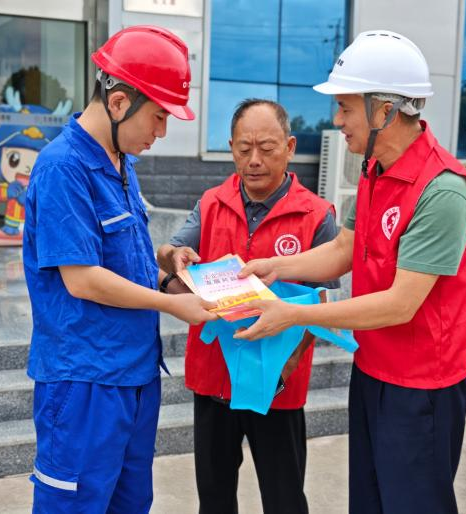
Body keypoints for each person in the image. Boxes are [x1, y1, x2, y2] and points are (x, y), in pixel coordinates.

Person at [237, 31, 466, 514]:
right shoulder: (375, 170)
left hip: (422, 388)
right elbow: (343, 249)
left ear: (384, 111)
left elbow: (400, 304)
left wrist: (293, 313)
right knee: (369, 501)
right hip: (373, 370)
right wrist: (274, 267)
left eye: (345, 108)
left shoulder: (443, 192)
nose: (337, 121)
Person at [22, 25, 216, 514]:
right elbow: (83, 278)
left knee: (130, 503)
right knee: (76, 506)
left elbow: (124, 258)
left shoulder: (121, 162)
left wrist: (168, 272)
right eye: (158, 116)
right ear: (118, 102)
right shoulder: (63, 167)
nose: (161, 132)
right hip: (85, 380)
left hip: (133, 374)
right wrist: (171, 304)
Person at [157, 98, 339, 514]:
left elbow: (322, 300)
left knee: (284, 498)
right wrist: (174, 255)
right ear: (231, 148)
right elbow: (169, 252)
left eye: (267, 148)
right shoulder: (212, 202)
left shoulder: (316, 215)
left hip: (276, 384)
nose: (254, 160)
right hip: (214, 377)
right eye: (244, 148)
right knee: (214, 498)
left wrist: (286, 368)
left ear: (289, 147)